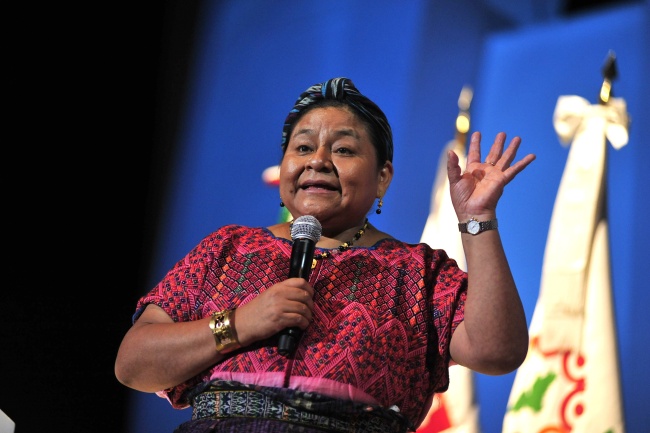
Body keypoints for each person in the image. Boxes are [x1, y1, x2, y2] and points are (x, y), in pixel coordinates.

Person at [115, 77, 535, 433]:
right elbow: (133, 363)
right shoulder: (227, 249)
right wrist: (241, 323)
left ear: (382, 177)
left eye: (344, 150)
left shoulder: (418, 272)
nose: (317, 161)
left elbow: (496, 352)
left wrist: (477, 219)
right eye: (302, 148)